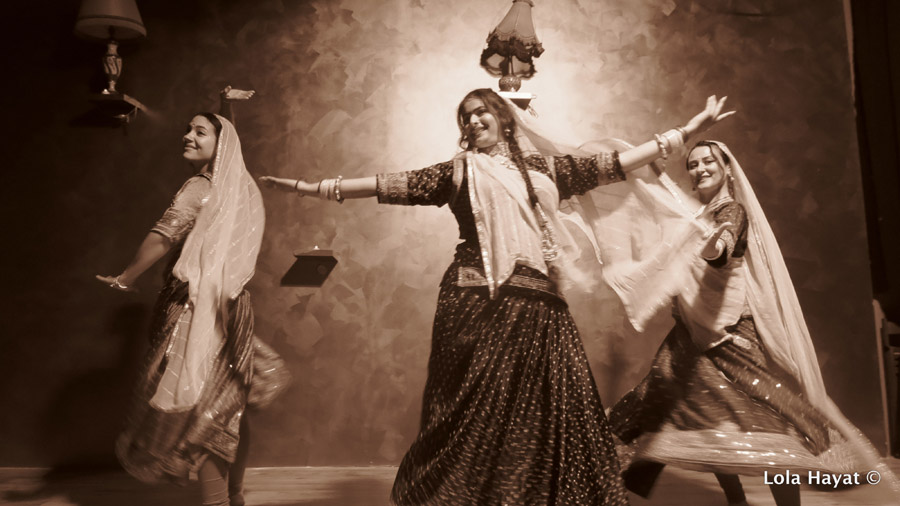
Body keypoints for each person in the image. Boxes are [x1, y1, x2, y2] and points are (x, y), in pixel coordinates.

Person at [259, 88, 732, 505]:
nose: (473, 120)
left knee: (555, 409)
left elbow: (615, 165)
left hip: (540, 302)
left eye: (481, 111)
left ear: (504, 117)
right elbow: (388, 185)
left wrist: (688, 131)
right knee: (474, 409)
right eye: (465, 116)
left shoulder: (547, 168)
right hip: (475, 301)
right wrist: (312, 188)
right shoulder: (459, 172)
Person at [605, 141, 900, 506]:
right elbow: (673, 208)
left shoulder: (732, 211)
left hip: (730, 337)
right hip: (690, 340)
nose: (700, 169)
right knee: (708, 422)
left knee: (770, 425)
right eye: (693, 164)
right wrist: (656, 169)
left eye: (708, 161)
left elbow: (723, 244)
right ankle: (737, 501)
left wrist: (714, 248)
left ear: (727, 168)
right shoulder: (694, 215)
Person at [97, 88, 289, 506]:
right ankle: (234, 496)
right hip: (233, 308)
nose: (188, 136)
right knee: (228, 405)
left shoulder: (199, 189)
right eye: (187, 129)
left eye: (199, 132)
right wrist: (225, 107)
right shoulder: (238, 188)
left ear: (219, 144)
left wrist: (126, 276)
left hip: (195, 310)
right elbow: (229, 139)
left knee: (204, 411)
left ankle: (218, 502)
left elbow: (163, 237)